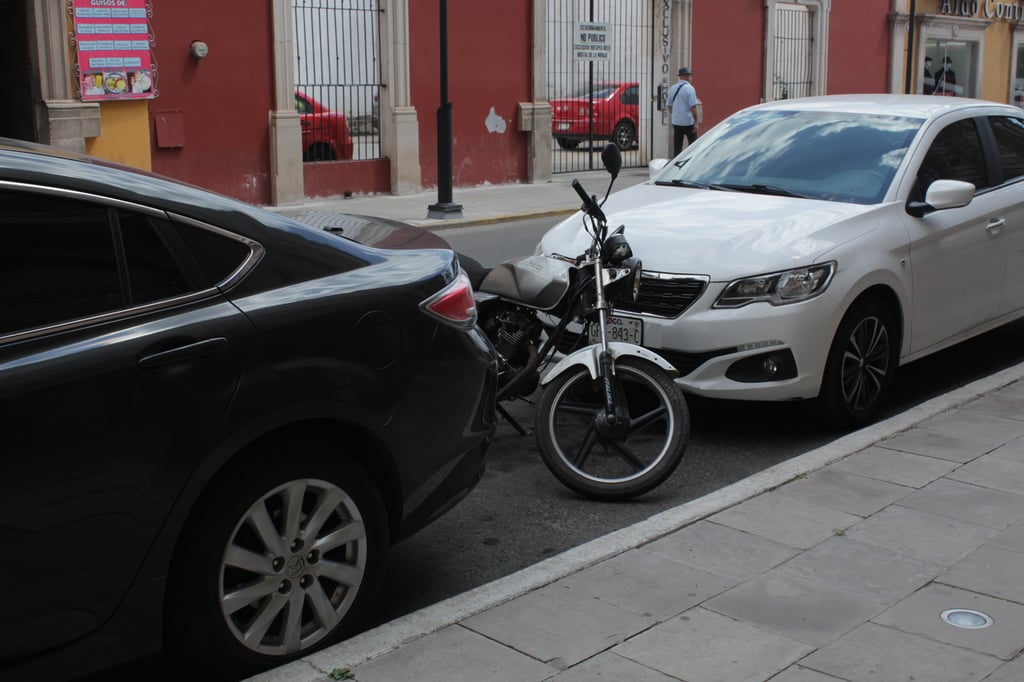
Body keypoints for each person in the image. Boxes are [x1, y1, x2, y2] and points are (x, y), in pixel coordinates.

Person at [666, 66, 699, 156]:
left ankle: (676, 165)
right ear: (686, 76)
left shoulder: (672, 88)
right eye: (690, 76)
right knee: (693, 146)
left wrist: (677, 114)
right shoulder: (690, 89)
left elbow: (669, 105)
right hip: (688, 122)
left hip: (677, 122)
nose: (691, 78)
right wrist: (696, 122)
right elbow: (693, 107)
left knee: (677, 147)